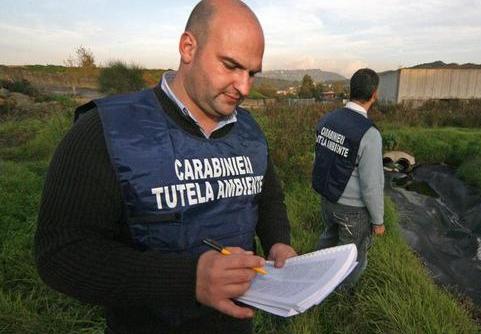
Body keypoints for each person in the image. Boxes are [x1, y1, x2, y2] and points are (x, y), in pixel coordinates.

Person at [34, 1, 296, 333]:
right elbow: (60, 253)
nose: (243, 87)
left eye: (252, 73)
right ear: (189, 47)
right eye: (231, 66)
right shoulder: (105, 130)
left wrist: (277, 242)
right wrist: (189, 280)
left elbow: (268, 198)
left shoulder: (250, 130)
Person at [312, 68, 385, 290]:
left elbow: (320, 158)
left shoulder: (327, 120)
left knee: (329, 238)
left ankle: (314, 273)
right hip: (353, 210)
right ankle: (337, 293)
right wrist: (378, 221)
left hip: (328, 198)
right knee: (353, 256)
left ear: (351, 90)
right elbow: (371, 184)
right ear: (374, 94)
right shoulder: (369, 134)